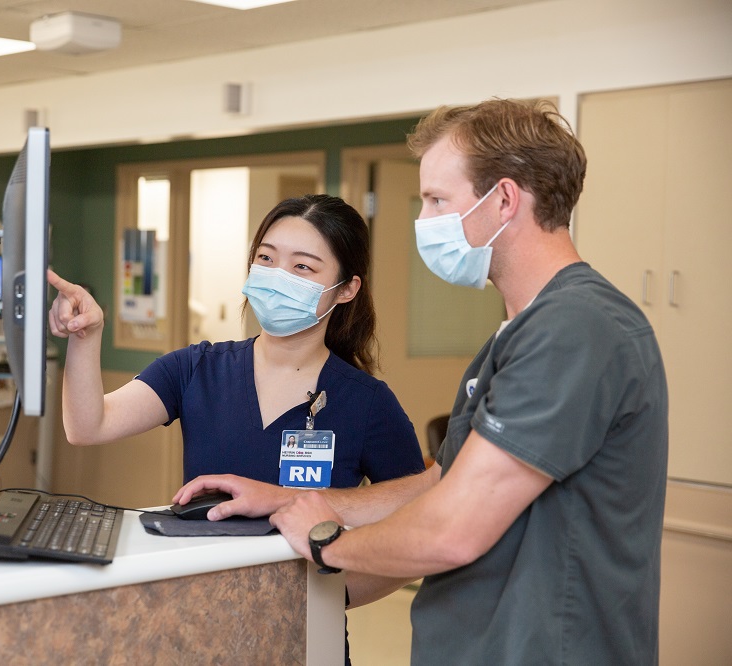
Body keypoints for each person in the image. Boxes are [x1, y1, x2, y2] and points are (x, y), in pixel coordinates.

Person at [173, 99, 669, 665]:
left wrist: (328, 542)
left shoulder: (575, 329)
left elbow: (453, 529)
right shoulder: (517, 335)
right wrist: (290, 498)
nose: (424, 219)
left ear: (504, 199)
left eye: (437, 200)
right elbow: (443, 482)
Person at [46, 194, 424, 491]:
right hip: (204, 584)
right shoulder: (195, 370)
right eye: (266, 257)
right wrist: (85, 335)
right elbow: (87, 427)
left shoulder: (367, 403)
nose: (277, 276)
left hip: (309, 590)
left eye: (302, 267)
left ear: (346, 290)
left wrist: (343, 592)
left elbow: (412, 515)